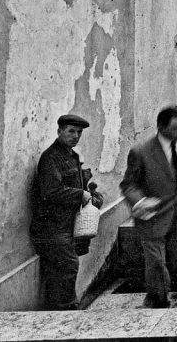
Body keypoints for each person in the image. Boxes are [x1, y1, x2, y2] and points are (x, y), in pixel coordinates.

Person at [121, 106, 177, 308]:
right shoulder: (141, 151)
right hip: (152, 216)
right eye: (176, 128)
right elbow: (128, 185)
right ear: (160, 127)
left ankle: (166, 293)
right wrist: (140, 202)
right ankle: (158, 300)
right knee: (156, 262)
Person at [30, 113, 104, 310]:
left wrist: (88, 189)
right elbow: (50, 191)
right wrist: (80, 194)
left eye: (79, 132)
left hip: (67, 223)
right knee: (67, 268)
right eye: (71, 131)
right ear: (59, 131)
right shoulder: (51, 158)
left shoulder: (70, 156)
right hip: (52, 227)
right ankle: (66, 310)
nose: (76, 136)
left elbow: (71, 182)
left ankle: (64, 309)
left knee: (66, 269)